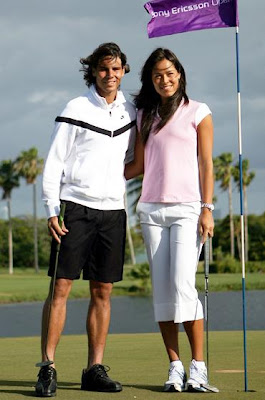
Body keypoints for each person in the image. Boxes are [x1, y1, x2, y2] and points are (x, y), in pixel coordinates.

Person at [35, 42, 136, 397]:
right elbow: (54, 162)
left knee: (102, 291)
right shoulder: (75, 107)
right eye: (103, 69)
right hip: (74, 208)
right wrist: (51, 207)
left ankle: (94, 369)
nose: (110, 75)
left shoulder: (132, 110)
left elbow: (135, 157)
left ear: (124, 70)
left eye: (116, 69)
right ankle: (47, 367)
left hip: (113, 211)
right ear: (92, 71)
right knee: (61, 287)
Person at [125, 47, 216, 392]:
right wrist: (97, 176)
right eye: (157, 75)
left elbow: (206, 164)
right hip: (151, 210)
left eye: (170, 72)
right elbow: (138, 166)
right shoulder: (145, 114)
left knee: (182, 285)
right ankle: (175, 366)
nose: (164, 79)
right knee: (162, 293)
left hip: (187, 209)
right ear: (151, 80)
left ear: (180, 74)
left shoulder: (199, 111)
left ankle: (199, 367)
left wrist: (207, 207)